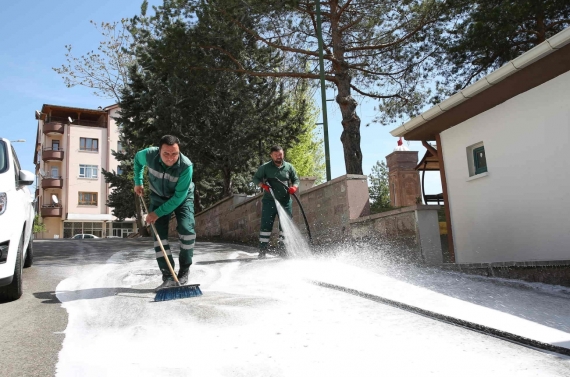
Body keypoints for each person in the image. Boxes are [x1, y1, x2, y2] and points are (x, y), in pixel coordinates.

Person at [133, 135, 196, 290]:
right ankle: (168, 276)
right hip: (158, 197)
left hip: (182, 198)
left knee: (187, 231)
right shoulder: (148, 155)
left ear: (179, 151)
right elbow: (137, 160)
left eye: (174, 154)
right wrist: (138, 181)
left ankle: (184, 270)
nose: (170, 158)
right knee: (158, 236)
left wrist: (156, 214)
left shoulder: (186, 166)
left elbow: (177, 198)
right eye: (166, 154)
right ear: (158, 151)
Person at [252, 145, 300, 259]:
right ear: (271, 155)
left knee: (285, 227)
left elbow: (296, 179)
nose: (279, 157)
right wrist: (263, 185)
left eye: (281, 154)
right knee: (266, 226)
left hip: (285, 201)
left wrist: (294, 187)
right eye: (276, 155)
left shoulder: (289, 167)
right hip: (270, 201)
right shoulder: (265, 167)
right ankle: (262, 251)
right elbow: (255, 179)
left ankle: (283, 251)